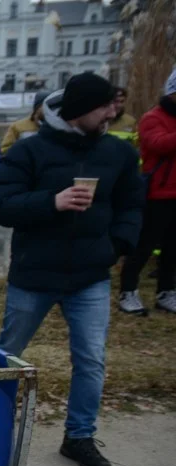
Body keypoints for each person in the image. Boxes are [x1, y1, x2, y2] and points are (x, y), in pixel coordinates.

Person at [0, 74, 143, 466]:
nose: (113, 111)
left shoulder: (117, 153)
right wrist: (51, 201)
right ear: (79, 111)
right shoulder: (30, 151)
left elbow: (132, 205)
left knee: (91, 359)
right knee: (7, 355)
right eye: (104, 105)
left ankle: (78, 437)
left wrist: (117, 247)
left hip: (91, 275)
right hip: (34, 274)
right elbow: (1, 204)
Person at [119, 67, 176, 315]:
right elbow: (157, 144)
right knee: (143, 246)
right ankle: (128, 291)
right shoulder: (153, 117)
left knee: (173, 248)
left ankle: (166, 292)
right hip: (157, 195)